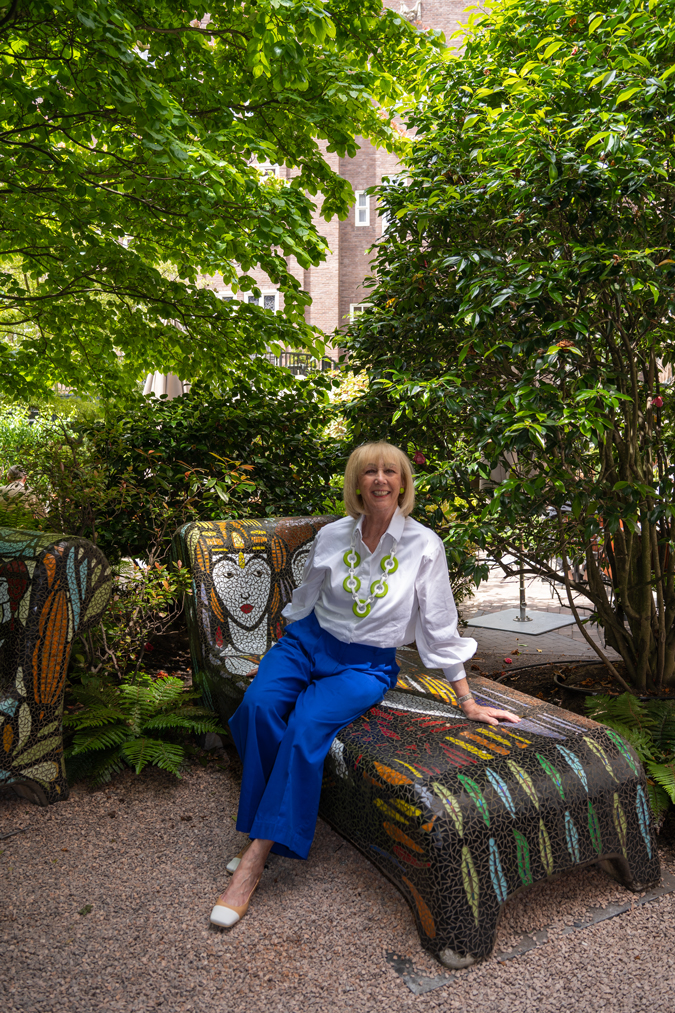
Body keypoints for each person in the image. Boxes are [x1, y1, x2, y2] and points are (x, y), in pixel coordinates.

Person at [210, 441, 520, 928]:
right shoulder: (334, 534)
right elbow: (305, 596)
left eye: (390, 472)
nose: (380, 480)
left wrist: (467, 700)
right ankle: (265, 833)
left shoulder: (424, 545)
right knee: (258, 707)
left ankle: (253, 860)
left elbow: (439, 626)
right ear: (357, 483)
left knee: (306, 727)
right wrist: (283, 651)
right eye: (370, 471)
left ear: (403, 482)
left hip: (365, 665)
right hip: (307, 642)